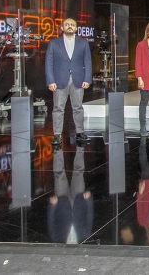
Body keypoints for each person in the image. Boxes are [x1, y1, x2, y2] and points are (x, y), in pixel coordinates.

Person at [45, 18, 93, 146]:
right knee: (58, 108)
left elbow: (87, 62)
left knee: (78, 107)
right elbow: (49, 63)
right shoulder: (54, 43)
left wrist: (87, 79)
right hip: (59, 80)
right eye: (67, 25)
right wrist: (50, 80)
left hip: (78, 79)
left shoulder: (83, 43)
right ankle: (56, 135)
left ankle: (80, 132)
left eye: (72, 25)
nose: (70, 26)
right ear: (62, 28)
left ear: (76, 28)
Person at [48, 147, 93, 244]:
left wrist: (52, 206)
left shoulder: (57, 239)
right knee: (79, 172)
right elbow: (89, 216)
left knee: (59, 174)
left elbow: (51, 222)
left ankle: (57, 147)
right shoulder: (85, 236)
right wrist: (89, 200)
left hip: (61, 202)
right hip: (79, 200)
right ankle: (80, 145)